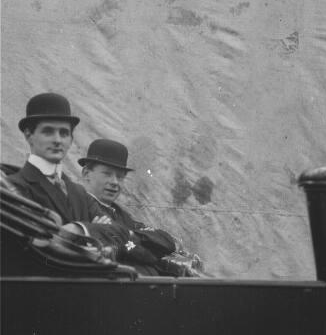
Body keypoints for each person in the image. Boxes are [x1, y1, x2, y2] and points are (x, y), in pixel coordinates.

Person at [78, 138, 204, 276]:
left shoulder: (120, 214)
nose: (114, 182)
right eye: (107, 174)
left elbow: (166, 240)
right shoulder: (79, 206)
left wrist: (128, 234)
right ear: (86, 174)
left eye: (120, 177)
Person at [8, 93, 105, 227]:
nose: (57, 140)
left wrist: (82, 230)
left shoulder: (79, 192)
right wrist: (93, 231)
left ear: (71, 139)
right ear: (28, 135)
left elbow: (116, 232)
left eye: (64, 133)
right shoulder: (13, 187)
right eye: (48, 131)